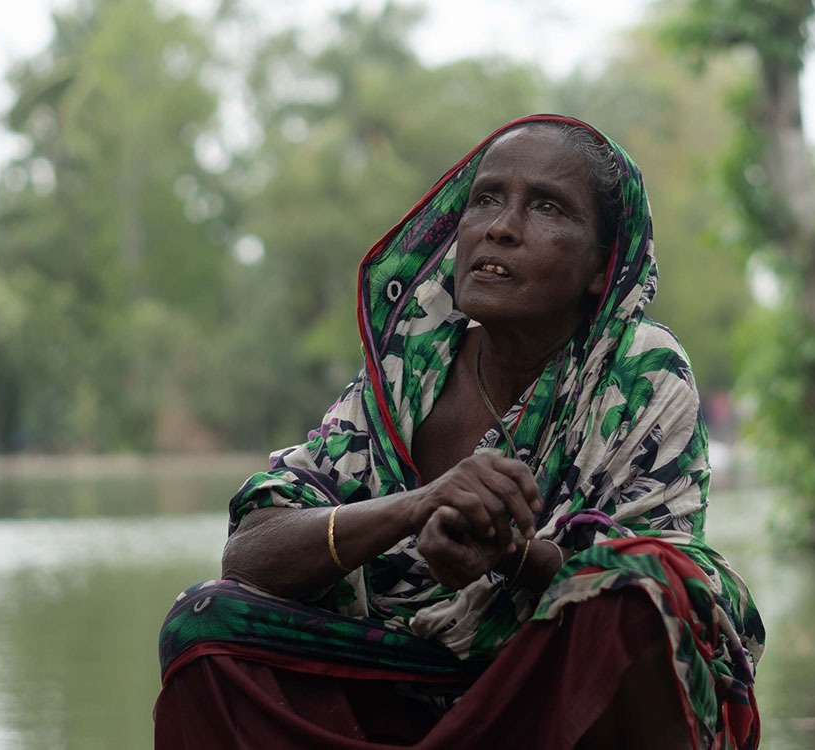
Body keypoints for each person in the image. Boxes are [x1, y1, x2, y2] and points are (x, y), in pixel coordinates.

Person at [154, 115, 764, 749]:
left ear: (599, 267)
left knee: (641, 595)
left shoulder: (639, 370)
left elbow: (660, 581)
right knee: (206, 626)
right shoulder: (402, 379)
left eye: (548, 207)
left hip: (550, 692)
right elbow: (251, 552)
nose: (501, 226)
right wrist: (417, 506)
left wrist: (509, 553)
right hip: (401, 684)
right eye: (486, 199)